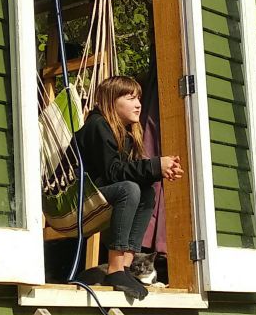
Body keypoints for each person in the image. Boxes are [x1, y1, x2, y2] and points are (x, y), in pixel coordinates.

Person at [75, 75, 182, 297]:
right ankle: (115, 267)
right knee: (129, 189)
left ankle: (125, 266)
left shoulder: (125, 134)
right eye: (131, 98)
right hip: (79, 199)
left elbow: (124, 172)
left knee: (145, 192)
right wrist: (154, 166)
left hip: (102, 192)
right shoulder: (98, 126)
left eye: (139, 99)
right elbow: (113, 174)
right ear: (111, 101)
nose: (139, 104)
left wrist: (159, 170)